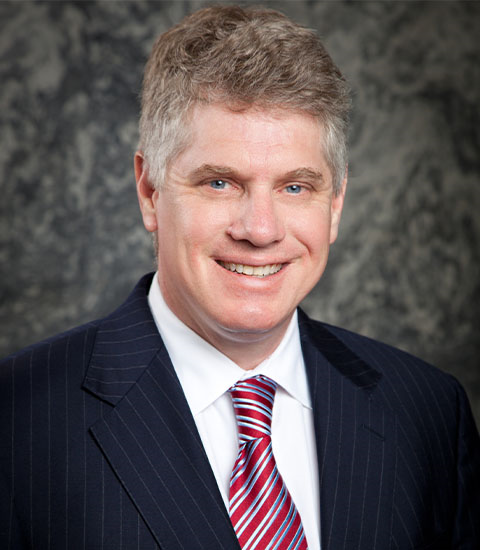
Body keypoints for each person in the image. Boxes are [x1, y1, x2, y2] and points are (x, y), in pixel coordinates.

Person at [1, 5, 479, 549]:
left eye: (295, 187)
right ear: (150, 192)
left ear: (337, 203)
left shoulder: (428, 412)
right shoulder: (18, 421)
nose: (260, 229)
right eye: (220, 183)